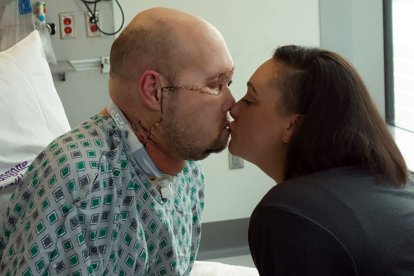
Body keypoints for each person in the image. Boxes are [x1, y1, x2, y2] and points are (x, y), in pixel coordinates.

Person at [0, 7, 235, 275]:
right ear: (154, 91)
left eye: (230, 81)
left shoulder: (187, 172)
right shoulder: (81, 185)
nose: (232, 103)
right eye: (216, 85)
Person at [228, 45, 414, 275]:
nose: (234, 109)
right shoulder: (395, 181)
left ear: (293, 125)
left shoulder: (290, 214)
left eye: (249, 100)